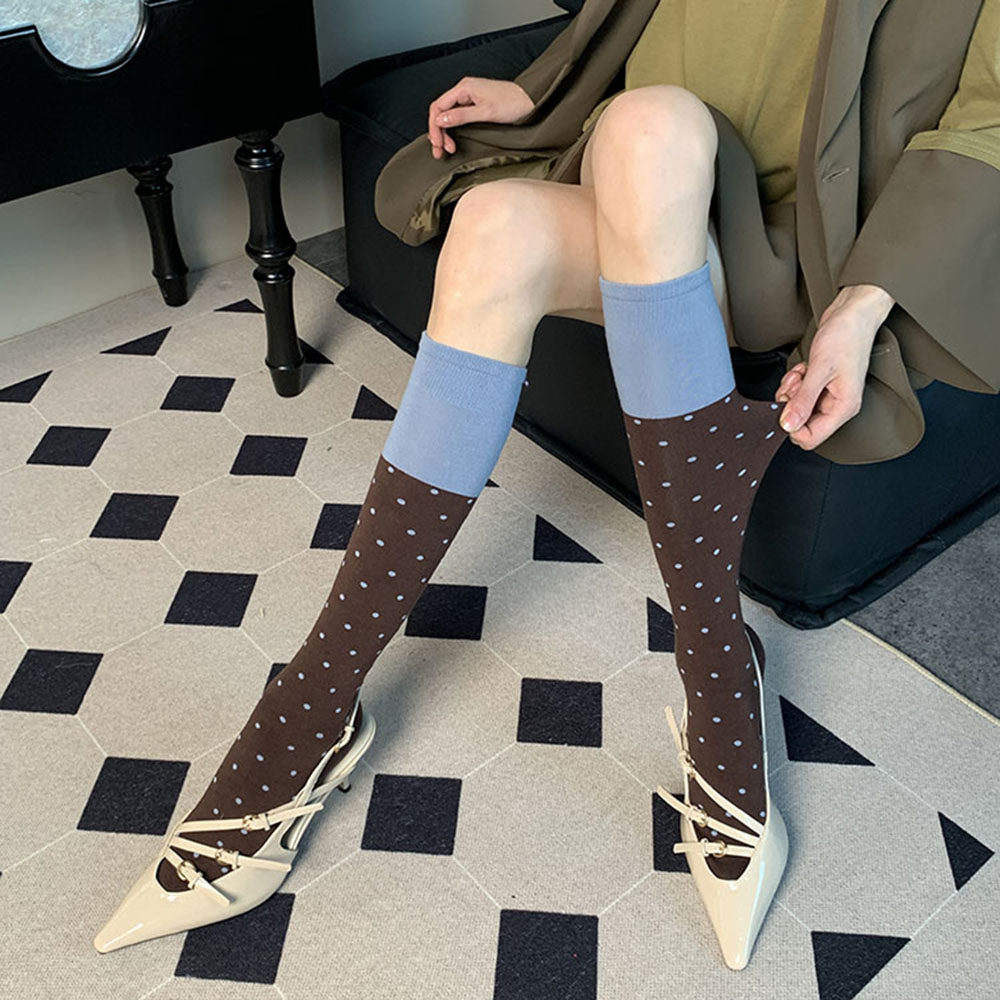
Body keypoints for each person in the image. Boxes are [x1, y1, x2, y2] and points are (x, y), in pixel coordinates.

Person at [94, 1, 904, 970]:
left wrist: (865, 302)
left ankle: (717, 667)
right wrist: (544, 90)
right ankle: (314, 703)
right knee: (496, 216)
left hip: (795, 234)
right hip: (641, 178)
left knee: (650, 121)